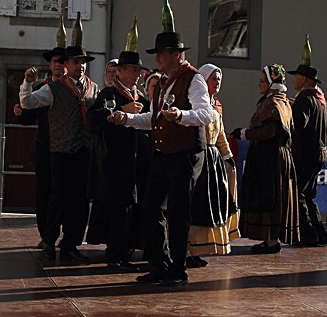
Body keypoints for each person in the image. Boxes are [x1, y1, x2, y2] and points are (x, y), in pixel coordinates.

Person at [111, 31, 213, 287]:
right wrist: (128, 120)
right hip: (162, 154)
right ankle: (160, 264)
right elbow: (152, 119)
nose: (156, 58)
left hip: (185, 153)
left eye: (161, 53)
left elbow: (205, 115)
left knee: (178, 213)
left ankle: (178, 269)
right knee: (149, 209)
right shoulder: (165, 81)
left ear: (175, 55)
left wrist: (180, 115)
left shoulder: (194, 78)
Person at [20, 44, 99, 262]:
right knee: (59, 198)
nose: (80, 67)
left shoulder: (93, 89)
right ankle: (49, 239)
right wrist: (27, 83)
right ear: (66, 65)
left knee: (80, 201)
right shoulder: (53, 88)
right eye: (76, 62)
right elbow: (27, 102)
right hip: (61, 150)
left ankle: (71, 244)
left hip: (84, 150)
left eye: (83, 63)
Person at [87, 50, 149, 272]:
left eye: (139, 71)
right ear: (120, 72)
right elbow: (93, 120)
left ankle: (126, 251)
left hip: (137, 163)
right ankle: (116, 254)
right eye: (132, 70)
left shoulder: (141, 98)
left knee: (133, 209)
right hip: (115, 162)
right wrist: (122, 110)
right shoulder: (108, 95)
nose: (137, 75)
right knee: (119, 210)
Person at [232, 64, 299, 253]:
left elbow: (269, 131)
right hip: (276, 155)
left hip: (270, 158)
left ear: (271, 82)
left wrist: (245, 133)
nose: (259, 85)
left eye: (263, 81)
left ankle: (271, 241)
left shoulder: (273, 103)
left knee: (269, 196)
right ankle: (270, 239)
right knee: (272, 197)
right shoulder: (282, 101)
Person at [186, 63, 239, 267]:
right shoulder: (195, 103)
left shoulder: (216, 105)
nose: (217, 82)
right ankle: (188, 249)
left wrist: (227, 155)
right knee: (196, 205)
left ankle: (198, 248)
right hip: (198, 156)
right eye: (213, 78)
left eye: (219, 79)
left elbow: (221, 135)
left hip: (212, 159)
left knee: (209, 207)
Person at [13, 44, 65, 248]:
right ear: (50, 65)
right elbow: (28, 116)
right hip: (46, 147)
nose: (59, 65)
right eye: (55, 62)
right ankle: (46, 235)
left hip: (68, 148)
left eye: (62, 61)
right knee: (45, 193)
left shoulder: (75, 88)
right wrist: (21, 113)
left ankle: (67, 238)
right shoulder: (43, 88)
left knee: (65, 194)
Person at [288, 63, 327, 247]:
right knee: (309, 195)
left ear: (304, 79)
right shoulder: (320, 99)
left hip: (305, 154)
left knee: (299, 195)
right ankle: (320, 233)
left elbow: (299, 123)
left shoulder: (304, 98)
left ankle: (308, 234)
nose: (293, 79)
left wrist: (290, 110)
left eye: (296, 76)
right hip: (319, 153)